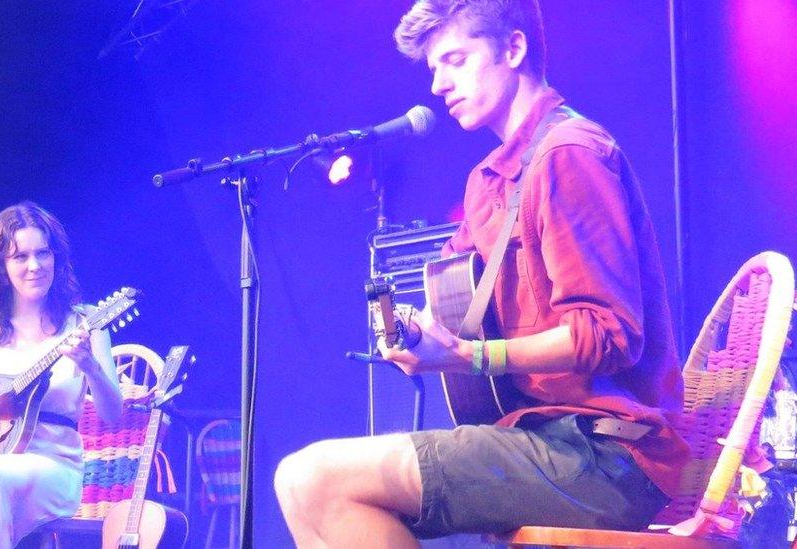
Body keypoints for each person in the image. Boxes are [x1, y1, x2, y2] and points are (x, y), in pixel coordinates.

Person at [273, 0, 689, 546]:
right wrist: (416, 335)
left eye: (456, 60)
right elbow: (451, 292)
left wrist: (473, 356)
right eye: (434, 69)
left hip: (608, 455)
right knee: (303, 487)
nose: (439, 85)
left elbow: (608, 335)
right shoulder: (490, 181)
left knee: (314, 478)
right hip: (546, 439)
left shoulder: (570, 155)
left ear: (513, 49)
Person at [0, 201, 123, 548]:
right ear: (1, 265)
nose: (34, 266)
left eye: (43, 254)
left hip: (52, 469)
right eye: (20, 257)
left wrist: (90, 365)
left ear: (56, 258)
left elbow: (113, 414)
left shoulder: (84, 323)